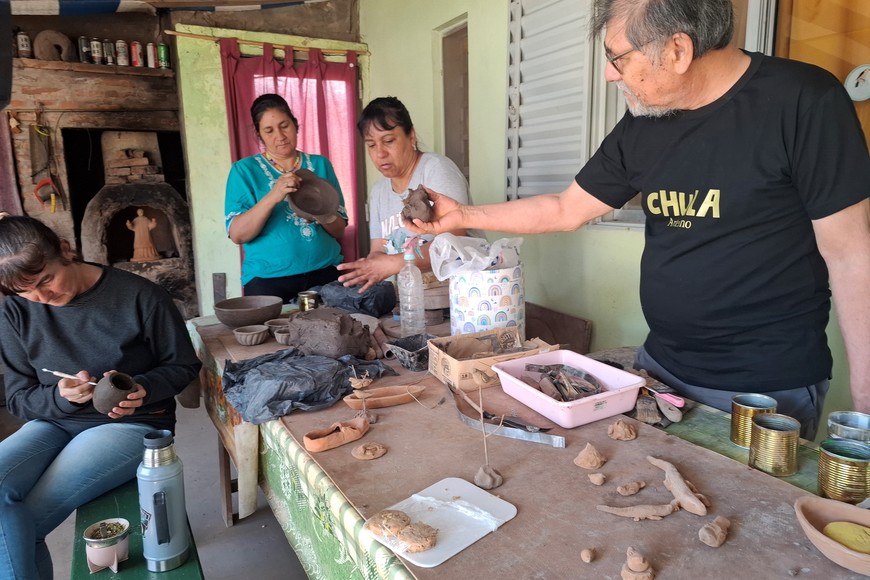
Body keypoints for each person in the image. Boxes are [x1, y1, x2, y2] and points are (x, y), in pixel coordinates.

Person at [409, 0, 870, 440]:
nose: (610, 74)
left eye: (618, 58)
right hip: (660, 369)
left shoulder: (803, 101)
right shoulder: (646, 123)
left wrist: (866, 411)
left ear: (678, 50)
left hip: (760, 391)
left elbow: (852, 255)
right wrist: (461, 215)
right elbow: (566, 209)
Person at [0, 215, 202, 579]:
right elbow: (18, 398)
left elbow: (183, 365)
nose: (42, 297)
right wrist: (61, 398)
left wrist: (142, 387)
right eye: (25, 291)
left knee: (22, 522)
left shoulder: (139, 295)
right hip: (55, 420)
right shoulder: (14, 311)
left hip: (128, 423)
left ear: (65, 250)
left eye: (46, 279)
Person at [336, 96, 472, 293]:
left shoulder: (436, 169)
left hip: (461, 295)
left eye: (388, 140)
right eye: (371, 145)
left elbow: (455, 239)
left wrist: (393, 264)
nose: (380, 153)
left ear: (411, 137)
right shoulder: (378, 192)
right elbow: (379, 250)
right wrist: (367, 268)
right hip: (412, 299)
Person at [225, 93, 348, 303]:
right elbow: (237, 235)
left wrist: (320, 213)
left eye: (284, 125)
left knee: (330, 333)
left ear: (295, 124)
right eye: (269, 130)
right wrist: (274, 195)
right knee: (273, 336)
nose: (280, 136)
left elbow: (338, 229)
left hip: (325, 274)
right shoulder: (244, 171)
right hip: (267, 280)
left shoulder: (320, 165)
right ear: (259, 134)